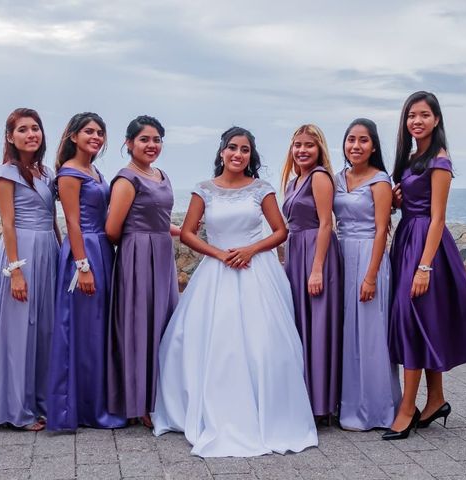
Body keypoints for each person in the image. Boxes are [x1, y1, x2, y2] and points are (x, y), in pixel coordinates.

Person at [151, 127, 318, 457]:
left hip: (256, 271)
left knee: (263, 343)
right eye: (232, 148)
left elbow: (281, 231)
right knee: (211, 342)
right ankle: (206, 407)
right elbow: (187, 233)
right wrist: (219, 254)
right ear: (222, 152)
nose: (237, 154)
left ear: (250, 156)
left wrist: (251, 250)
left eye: (244, 150)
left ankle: (266, 411)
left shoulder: (261, 190)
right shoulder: (203, 190)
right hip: (217, 271)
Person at [384, 91, 466, 440]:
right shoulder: (410, 160)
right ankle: (435, 399)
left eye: (424, 115)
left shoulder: (439, 160)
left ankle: (407, 409)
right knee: (423, 321)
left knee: (410, 319)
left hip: (426, 246)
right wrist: (398, 199)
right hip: (407, 239)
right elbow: (408, 203)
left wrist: (424, 268)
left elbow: (438, 218)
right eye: (411, 115)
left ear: (436, 119)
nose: (417, 121)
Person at [0, 108, 60, 431]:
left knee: (44, 330)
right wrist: (16, 271)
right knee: (18, 331)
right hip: (21, 253)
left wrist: (62, 251)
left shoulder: (46, 173)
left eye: (35, 128)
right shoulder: (5, 174)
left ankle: (40, 401)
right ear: (10, 137)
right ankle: (14, 408)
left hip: (47, 251)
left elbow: (52, 218)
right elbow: (7, 224)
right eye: (23, 129)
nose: (31, 134)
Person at [46, 112, 127, 430]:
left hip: (103, 251)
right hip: (84, 253)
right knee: (82, 330)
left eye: (100, 132)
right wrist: (82, 266)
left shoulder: (95, 170)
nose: (95, 136)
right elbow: (72, 222)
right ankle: (78, 409)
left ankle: (98, 401)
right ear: (73, 137)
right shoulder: (69, 173)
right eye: (88, 131)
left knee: (98, 329)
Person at [105, 115, 179, 428]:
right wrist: (140, 245)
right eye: (144, 139)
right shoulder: (126, 179)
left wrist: (174, 230)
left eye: (157, 139)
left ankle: (164, 395)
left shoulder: (161, 174)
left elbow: (159, 216)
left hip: (162, 254)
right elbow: (112, 229)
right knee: (139, 327)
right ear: (129, 143)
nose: (151, 145)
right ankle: (139, 403)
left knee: (164, 322)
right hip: (137, 257)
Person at [333, 118, 401, 431]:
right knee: (346, 332)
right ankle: (345, 404)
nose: (356, 146)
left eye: (363, 140)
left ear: (373, 146)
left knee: (370, 335)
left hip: (368, 258)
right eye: (351, 139)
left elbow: (381, 231)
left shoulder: (380, 181)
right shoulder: (337, 178)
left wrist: (371, 276)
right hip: (341, 256)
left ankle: (377, 409)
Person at [281, 124, 342, 422]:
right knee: (301, 326)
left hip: (317, 255)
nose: (302, 150)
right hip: (296, 253)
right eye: (297, 145)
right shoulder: (293, 182)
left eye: (309, 145)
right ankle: (304, 396)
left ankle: (321, 404)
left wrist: (317, 269)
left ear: (319, 149)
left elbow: (326, 223)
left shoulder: (319, 177)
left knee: (318, 327)